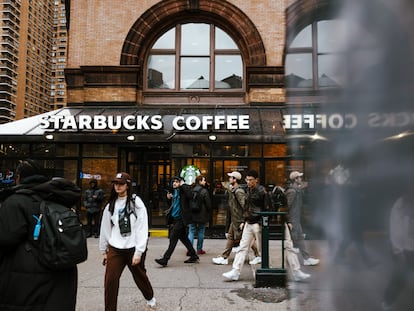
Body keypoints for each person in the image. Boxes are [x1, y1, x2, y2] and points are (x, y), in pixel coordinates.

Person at [0, 159, 80, 311]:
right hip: (61, 281)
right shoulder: (59, 199)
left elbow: (5, 238)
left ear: (19, 177)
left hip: (26, 285)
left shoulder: (15, 202)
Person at [99, 172, 156, 311]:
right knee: (110, 281)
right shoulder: (111, 205)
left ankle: (150, 298)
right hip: (115, 248)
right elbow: (105, 228)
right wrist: (103, 250)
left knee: (139, 276)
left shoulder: (136, 202)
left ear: (128, 185)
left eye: (121, 184)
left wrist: (139, 251)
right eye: (115, 183)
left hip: (133, 247)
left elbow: (142, 227)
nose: (117, 186)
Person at [222, 169, 269, 281]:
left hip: (257, 222)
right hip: (249, 222)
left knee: (262, 248)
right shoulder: (248, 190)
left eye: (251, 180)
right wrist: (244, 220)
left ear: (256, 180)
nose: (248, 182)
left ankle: (266, 268)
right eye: (247, 179)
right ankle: (235, 271)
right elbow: (246, 207)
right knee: (242, 247)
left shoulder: (261, 191)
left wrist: (263, 221)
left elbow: (267, 207)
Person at [212, 171, 260, 265]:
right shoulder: (234, 190)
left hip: (239, 220)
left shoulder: (238, 191)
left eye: (231, 178)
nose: (229, 179)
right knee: (231, 237)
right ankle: (224, 257)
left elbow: (244, 206)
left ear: (235, 179)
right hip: (235, 219)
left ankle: (258, 255)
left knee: (246, 239)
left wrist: (243, 220)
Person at [382, 182, 414, 311]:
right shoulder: (400, 205)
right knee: (399, 279)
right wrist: (398, 251)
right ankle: (387, 302)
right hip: (405, 250)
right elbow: (395, 230)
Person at [154, 176, 199, 267]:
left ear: (181, 182)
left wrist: (183, 185)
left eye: (177, 181)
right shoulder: (174, 191)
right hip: (175, 218)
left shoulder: (184, 190)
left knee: (173, 237)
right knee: (184, 238)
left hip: (182, 219)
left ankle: (165, 259)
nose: (174, 183)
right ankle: (193, 255)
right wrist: (168, 198)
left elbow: (190, 196)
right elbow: (172, 205)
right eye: (173, 181)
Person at [285, 171, 319, 266]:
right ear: (295, 179)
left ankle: (304, 258)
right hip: (293, 220)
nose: (301, 179)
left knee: (297, 240)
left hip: (296, 219)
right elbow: (286, 206)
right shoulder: (292, 191)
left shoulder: (296, 190)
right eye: (299, 178)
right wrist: (289, 221)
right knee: (295, 240)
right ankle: (303, 259)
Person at [188, 175, 211, 255]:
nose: (205, 182)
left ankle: (189, 249)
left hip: (192, 214)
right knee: (201, 231)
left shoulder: (191, 190)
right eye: (204, 180)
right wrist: (209, 211)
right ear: (200, 181)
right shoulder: (204, 191)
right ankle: (199, 249)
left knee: (191, 231)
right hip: (202, 214)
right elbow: (208, 204)